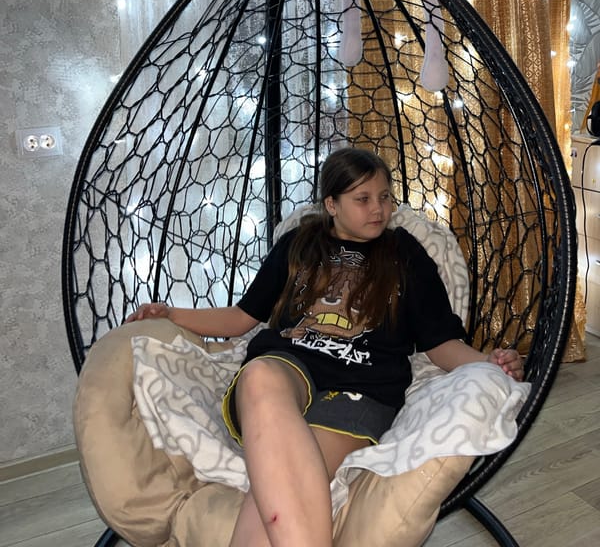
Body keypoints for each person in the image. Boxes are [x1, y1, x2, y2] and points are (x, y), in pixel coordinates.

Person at [126, 147, 524, 547]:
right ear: (331, 204)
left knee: (288, 486)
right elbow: (241, 318)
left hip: (361, 388)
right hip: (287, 366)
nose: (378, 209)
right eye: (363, 199)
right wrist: (172, 314)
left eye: (385, 197)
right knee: (261, 374)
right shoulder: (298, 245)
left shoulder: (405, 254)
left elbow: (440, 343)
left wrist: (488, 364)